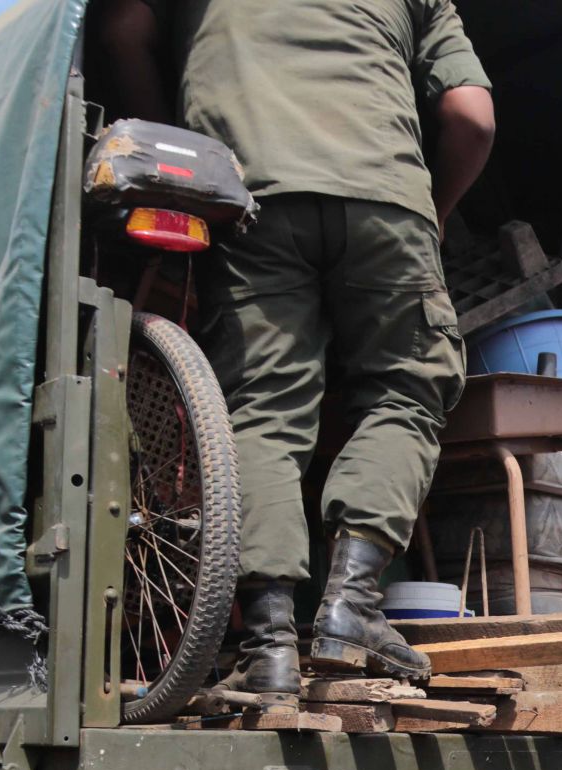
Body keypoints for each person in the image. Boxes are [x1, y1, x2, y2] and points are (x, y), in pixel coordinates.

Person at [97, 0, 498, 699]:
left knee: (260, 412)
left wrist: (179, 147)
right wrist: (430, 214)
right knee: (408, 389)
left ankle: (271, 649)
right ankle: (351, 609)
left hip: (248, 197)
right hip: (385, 196)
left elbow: (123, 28)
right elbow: (472, 119)